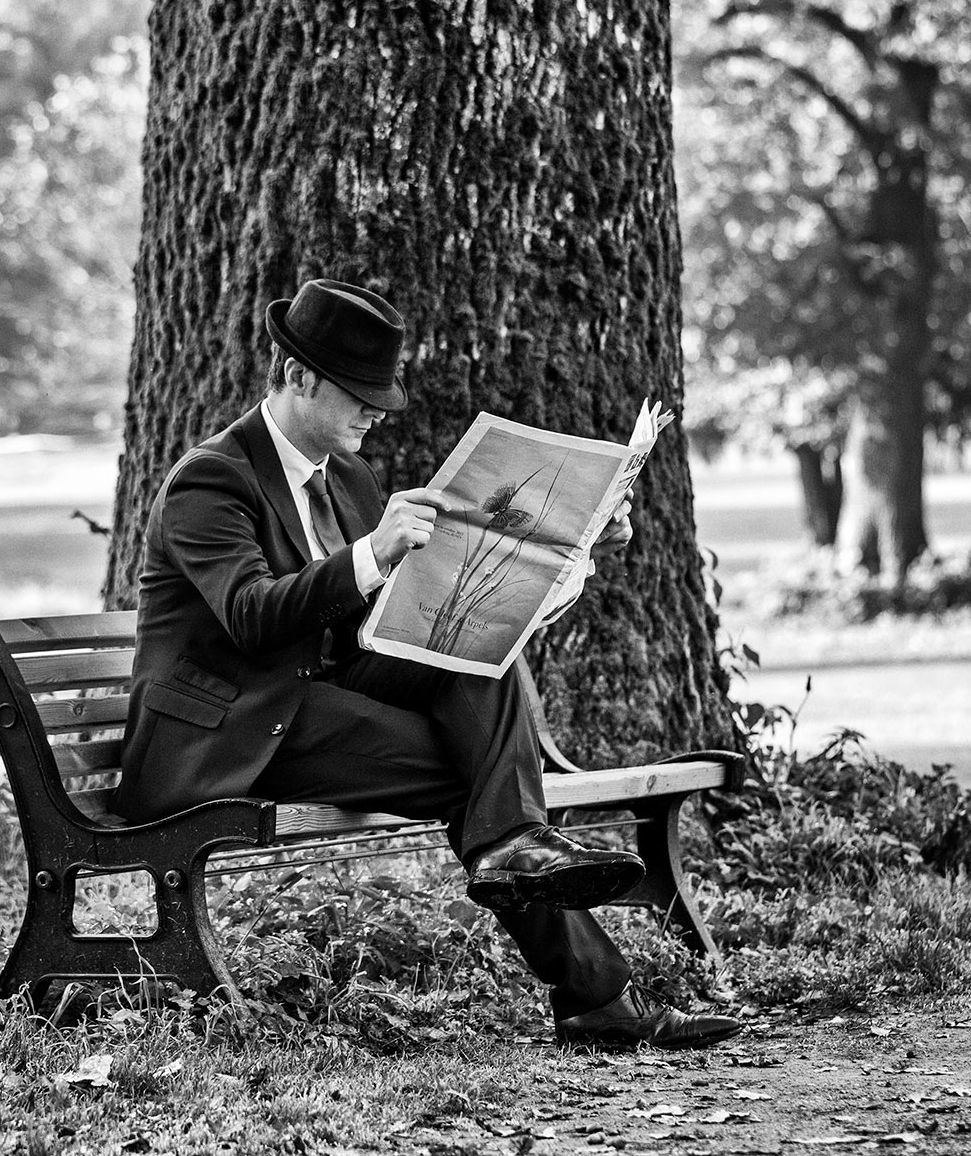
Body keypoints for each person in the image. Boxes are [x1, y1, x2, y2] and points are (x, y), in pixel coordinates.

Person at [114, 278, 741, 1049]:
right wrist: (372, 553)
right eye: (361, 395)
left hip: (313, 691)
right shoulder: (212, 478)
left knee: (476, 652)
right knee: (479, 785)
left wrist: (567, 553)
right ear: (298, 375)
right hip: (231, 726)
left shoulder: (345, 476)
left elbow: (374, 619)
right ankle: (591, 985)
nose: (377, 412)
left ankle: (539, 889)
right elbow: (250, 614)